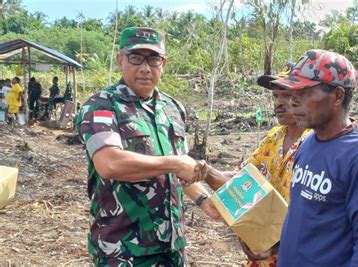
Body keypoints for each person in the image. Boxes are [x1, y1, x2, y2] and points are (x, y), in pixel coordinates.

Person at [76, 27, 217, 266]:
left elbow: (180, 172)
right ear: (120, 60)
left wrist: (204, 200)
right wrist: (175, 163)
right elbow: (110, 164)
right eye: (136, 58)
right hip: (123, 248)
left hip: (171, 245)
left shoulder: (172, 108)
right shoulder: (102, 105)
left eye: (153, 59)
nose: (145, 68)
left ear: (163, 63)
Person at [273, 49, 358, 266]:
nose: (292, 102)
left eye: (304, 93)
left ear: (337, 96)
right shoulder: (308, 143)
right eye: (293, 94)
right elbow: (303, 216)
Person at [205, 64, 312, 267]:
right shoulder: (274, 137)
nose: (279, 103)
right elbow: (242, 179)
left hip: (298, 255)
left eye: (286, 95)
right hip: (262, 254)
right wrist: (205, 173)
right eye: (276, 96)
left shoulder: (315, 143)